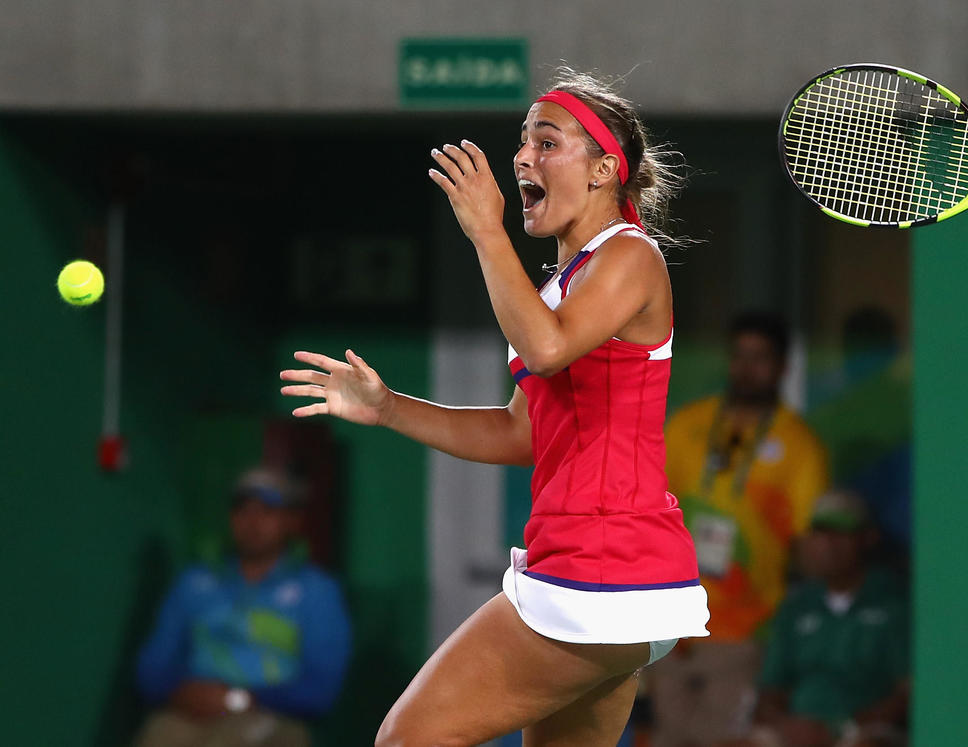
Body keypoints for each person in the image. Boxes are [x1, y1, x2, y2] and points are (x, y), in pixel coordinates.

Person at [279, 69, 708, 747]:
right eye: (522, 142)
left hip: (598, 566)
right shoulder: (565, 281)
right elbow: (519, 431)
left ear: (603, 169)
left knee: (405, 740)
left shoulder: (630, 254)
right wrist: (390, 407)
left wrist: (487, 232)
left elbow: (545, 349)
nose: (522, 157)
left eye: (547, 141)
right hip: (621, 580)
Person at [650, 312, 830, 746]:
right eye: (739, 356)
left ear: (783, 367)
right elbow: (650, 508)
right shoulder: (688, 424)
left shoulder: (800, 447)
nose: (747, 368)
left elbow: (810, 548)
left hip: (746, 632)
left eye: (760, 358)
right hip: (673, 621)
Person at [134, 467, 352, 747]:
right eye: (243, 510)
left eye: (266, 511)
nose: (253, 522)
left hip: (273, 718)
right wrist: (183, 694)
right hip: (189, 714)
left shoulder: (316, 590)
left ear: (291, 521)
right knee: (160, 734)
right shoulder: (195, 582)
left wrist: (239, 699)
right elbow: (152, 668)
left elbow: (321, 689)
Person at [746, 490, 910, 747]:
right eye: (819, 532)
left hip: (863, 728)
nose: (827, 544)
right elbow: (770, 689)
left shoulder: (893, 603)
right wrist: (788, 726)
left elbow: (906, 692)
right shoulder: (797, 606)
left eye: (840, 533)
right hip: (799, 727)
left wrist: (841, 727)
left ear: (868, 538)